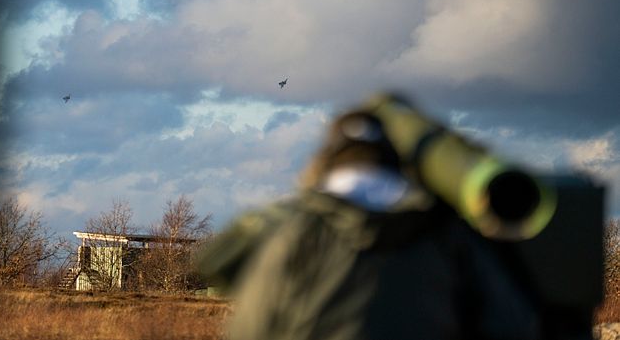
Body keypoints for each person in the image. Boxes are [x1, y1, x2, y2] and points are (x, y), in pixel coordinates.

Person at [197, 94, 543, 340]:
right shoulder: (446, 234)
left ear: (328, 159)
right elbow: (512, 326)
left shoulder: (292, 231)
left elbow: (252, 330)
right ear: (394, 161)